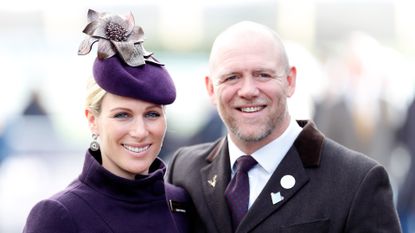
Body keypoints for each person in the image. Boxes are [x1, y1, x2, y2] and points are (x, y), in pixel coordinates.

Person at [167, 21, 402, 233]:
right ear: (210, 89)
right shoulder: (184, 170)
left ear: (290, 81)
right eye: (232, 77)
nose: (248, 90)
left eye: (263, 75)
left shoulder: (357, 181)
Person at [23, 9, 191, 233]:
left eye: (152, 114)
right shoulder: (58, 216)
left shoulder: (181, 204)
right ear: (92, 120)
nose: (140, 131)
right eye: (122, 115)